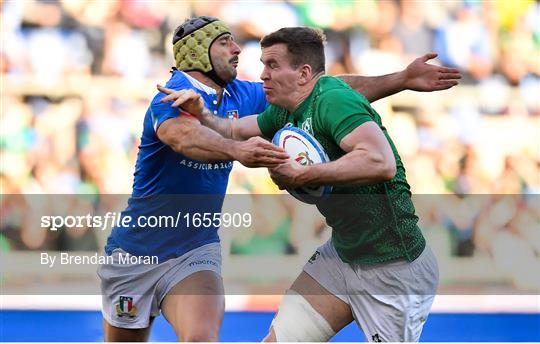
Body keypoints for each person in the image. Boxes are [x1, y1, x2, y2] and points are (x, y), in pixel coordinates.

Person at [101, 15, 460, 341]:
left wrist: (400, 79)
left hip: (196, 251)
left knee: (201, 338)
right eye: (225, 41)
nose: (237, 48)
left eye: (270, 64)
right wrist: (236, 149)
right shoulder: (172, 93)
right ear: (198, 52)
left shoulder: (247, 93)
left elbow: (326, 88)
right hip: (136, 255)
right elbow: (184, 137)